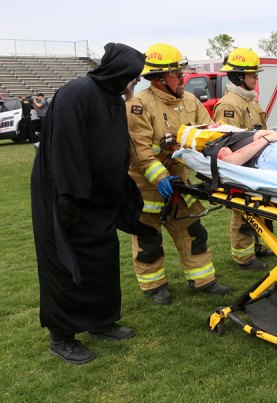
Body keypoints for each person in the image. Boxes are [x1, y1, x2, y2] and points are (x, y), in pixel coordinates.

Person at [31, 43, 153, 365]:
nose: (135, 83)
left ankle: (101, 321)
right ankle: (62, 336)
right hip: (67, 195)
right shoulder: (76, 93)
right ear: (121, 72)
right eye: (134, 77)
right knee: (64, 264)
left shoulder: (111, 97)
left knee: (102, 259)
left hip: (98, 199)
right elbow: (65, 150)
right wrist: (69, 200)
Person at [126, 43, 231, 305]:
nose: (183, 77)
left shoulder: (190, 101)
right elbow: (140, 152)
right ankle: (154, 286)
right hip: (148, 187)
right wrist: (160, 177)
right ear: (160, 80)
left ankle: (203, 280)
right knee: (149, 240)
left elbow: (209, 133)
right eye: (177, 73)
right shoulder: (138, 106)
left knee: (194, 231)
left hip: (179, 184)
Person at [213, 48, 271, 271]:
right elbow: (226, 142)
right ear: (240, 77)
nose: (256, 78)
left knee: (259, 207)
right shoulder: (230, 105)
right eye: (253, 75)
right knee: (243, 212)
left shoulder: (250, 100)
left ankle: (259, 246)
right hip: (241, 167)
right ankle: (243, 257)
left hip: (255, 164)